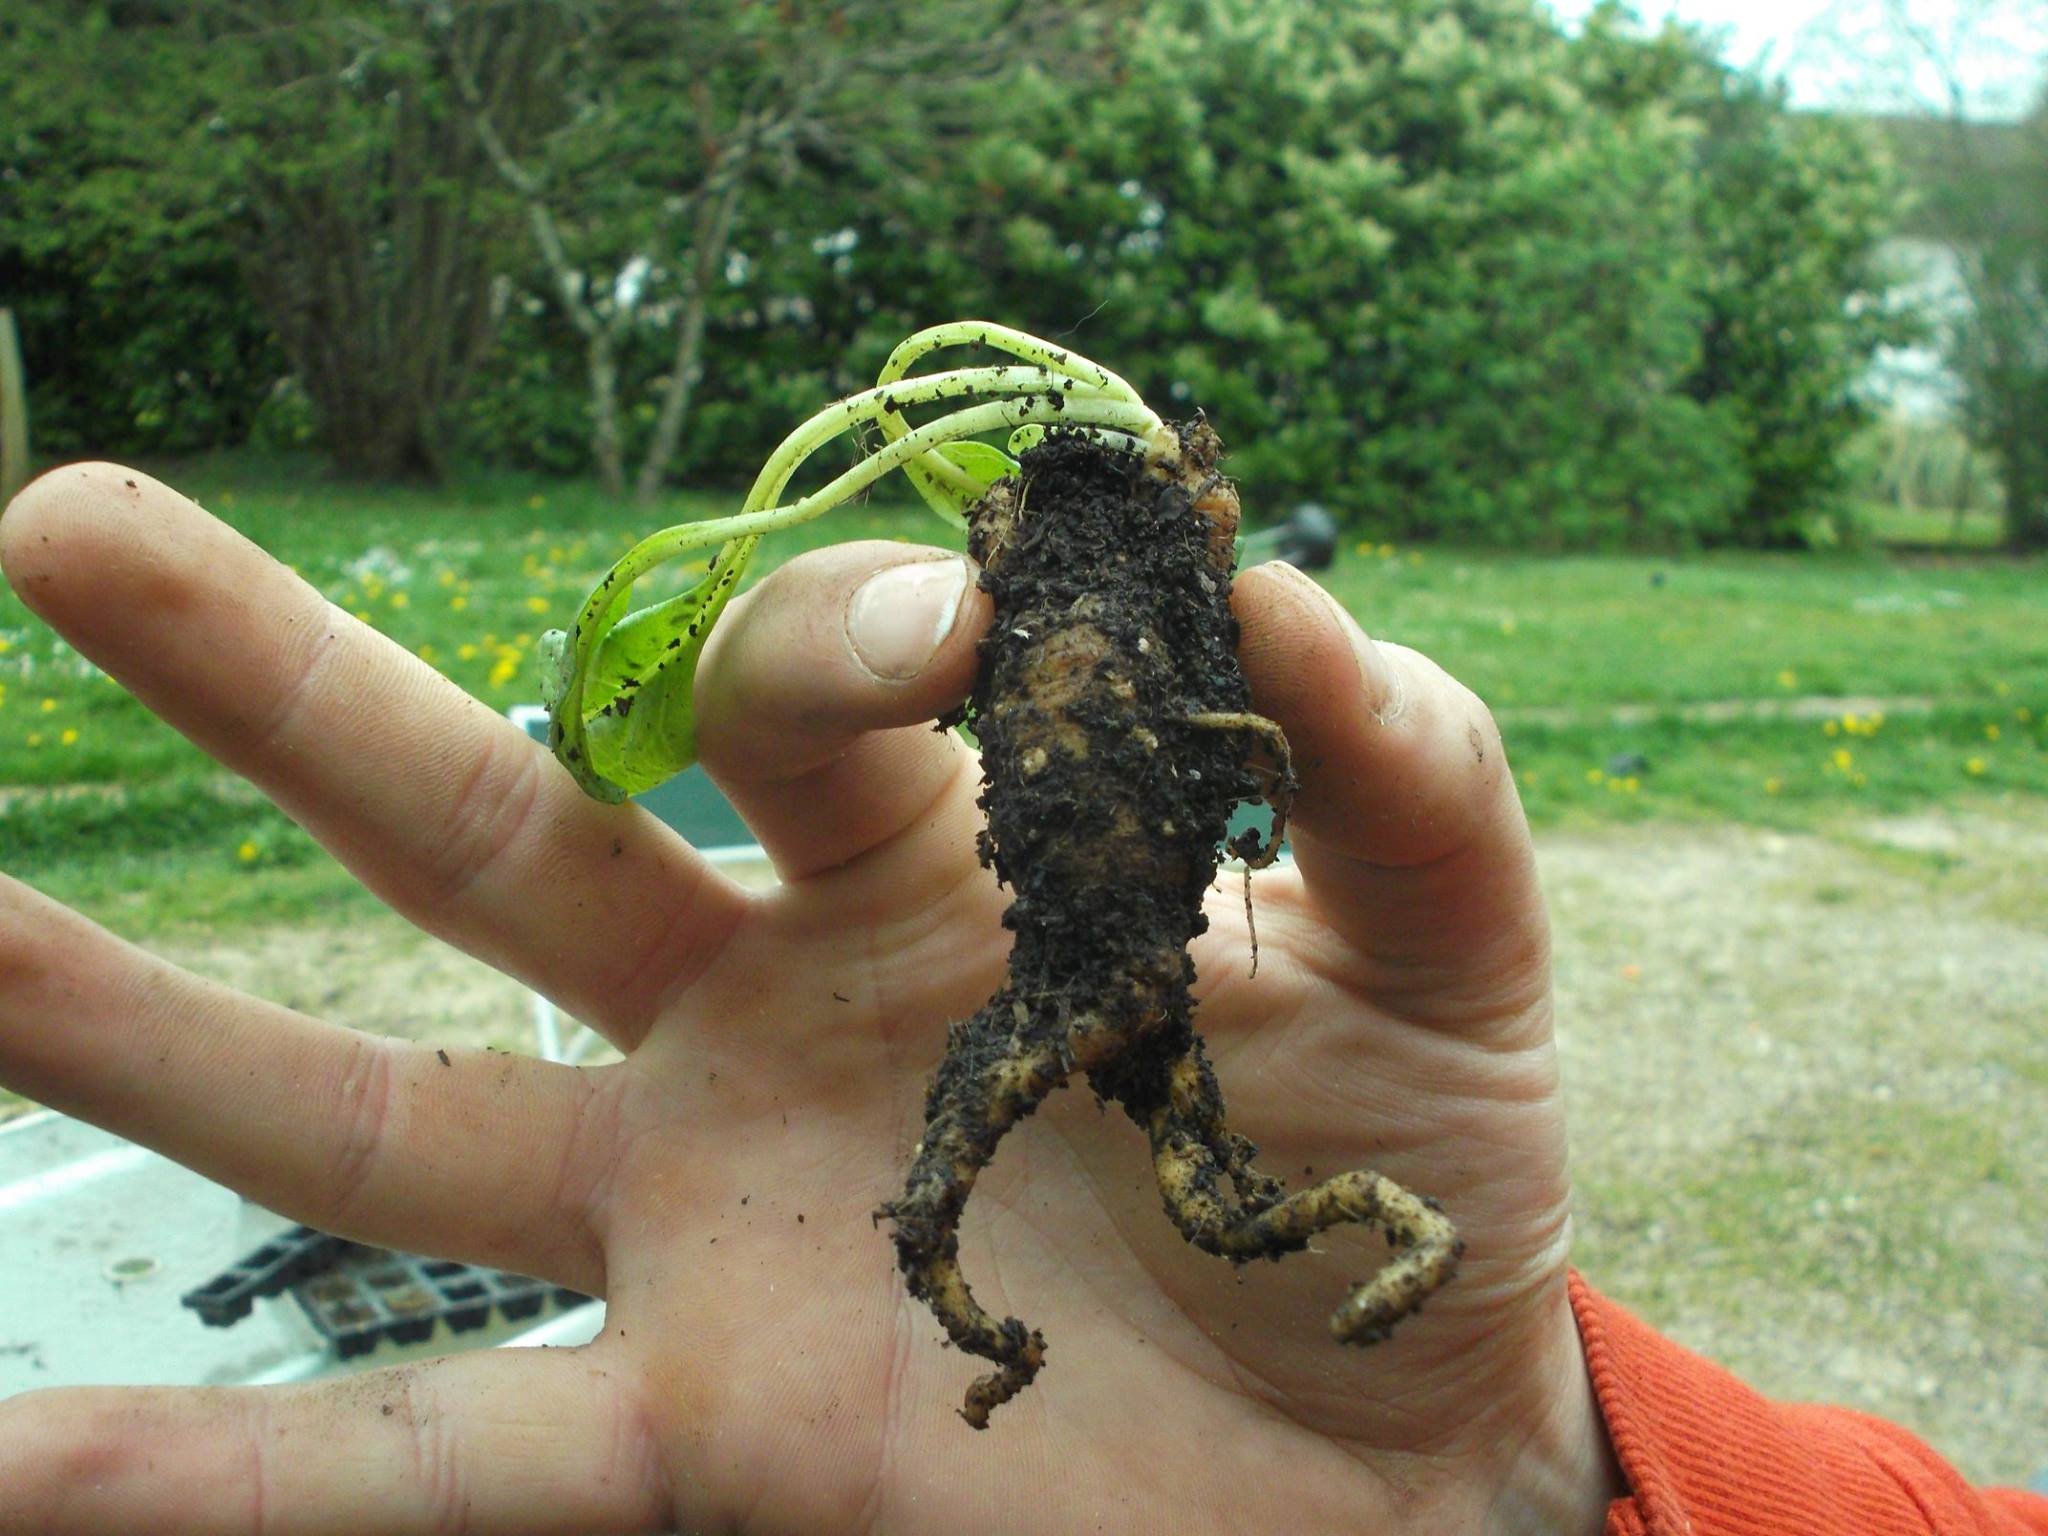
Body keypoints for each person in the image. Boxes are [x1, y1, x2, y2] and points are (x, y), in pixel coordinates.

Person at [0, 461, 2039, 1536]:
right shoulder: (1038, 573)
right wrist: (1550, 1487)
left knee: (1148, 1183)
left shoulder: (1157, 581)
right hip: (1080, 956)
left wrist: (1492, 1470)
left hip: (1128, 962)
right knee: (971, 1187)